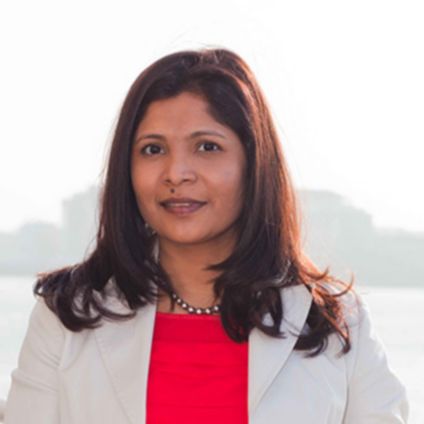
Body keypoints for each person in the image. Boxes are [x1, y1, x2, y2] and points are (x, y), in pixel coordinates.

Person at [4, 48, 408, 424]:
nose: (177, 173)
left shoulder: (337, 323)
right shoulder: (67, 315)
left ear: (254, 164)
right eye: (152, 149)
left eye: (207, 147)